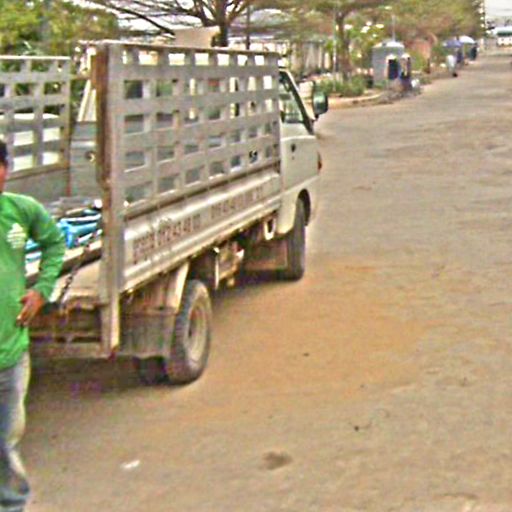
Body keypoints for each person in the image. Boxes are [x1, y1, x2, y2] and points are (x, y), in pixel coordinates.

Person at [0, 140, 65, 512]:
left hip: (9, 355)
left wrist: (41, 291)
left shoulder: (21, 211)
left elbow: (55, 243)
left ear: (6, 170)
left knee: (5, 442)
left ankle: (12, 505)